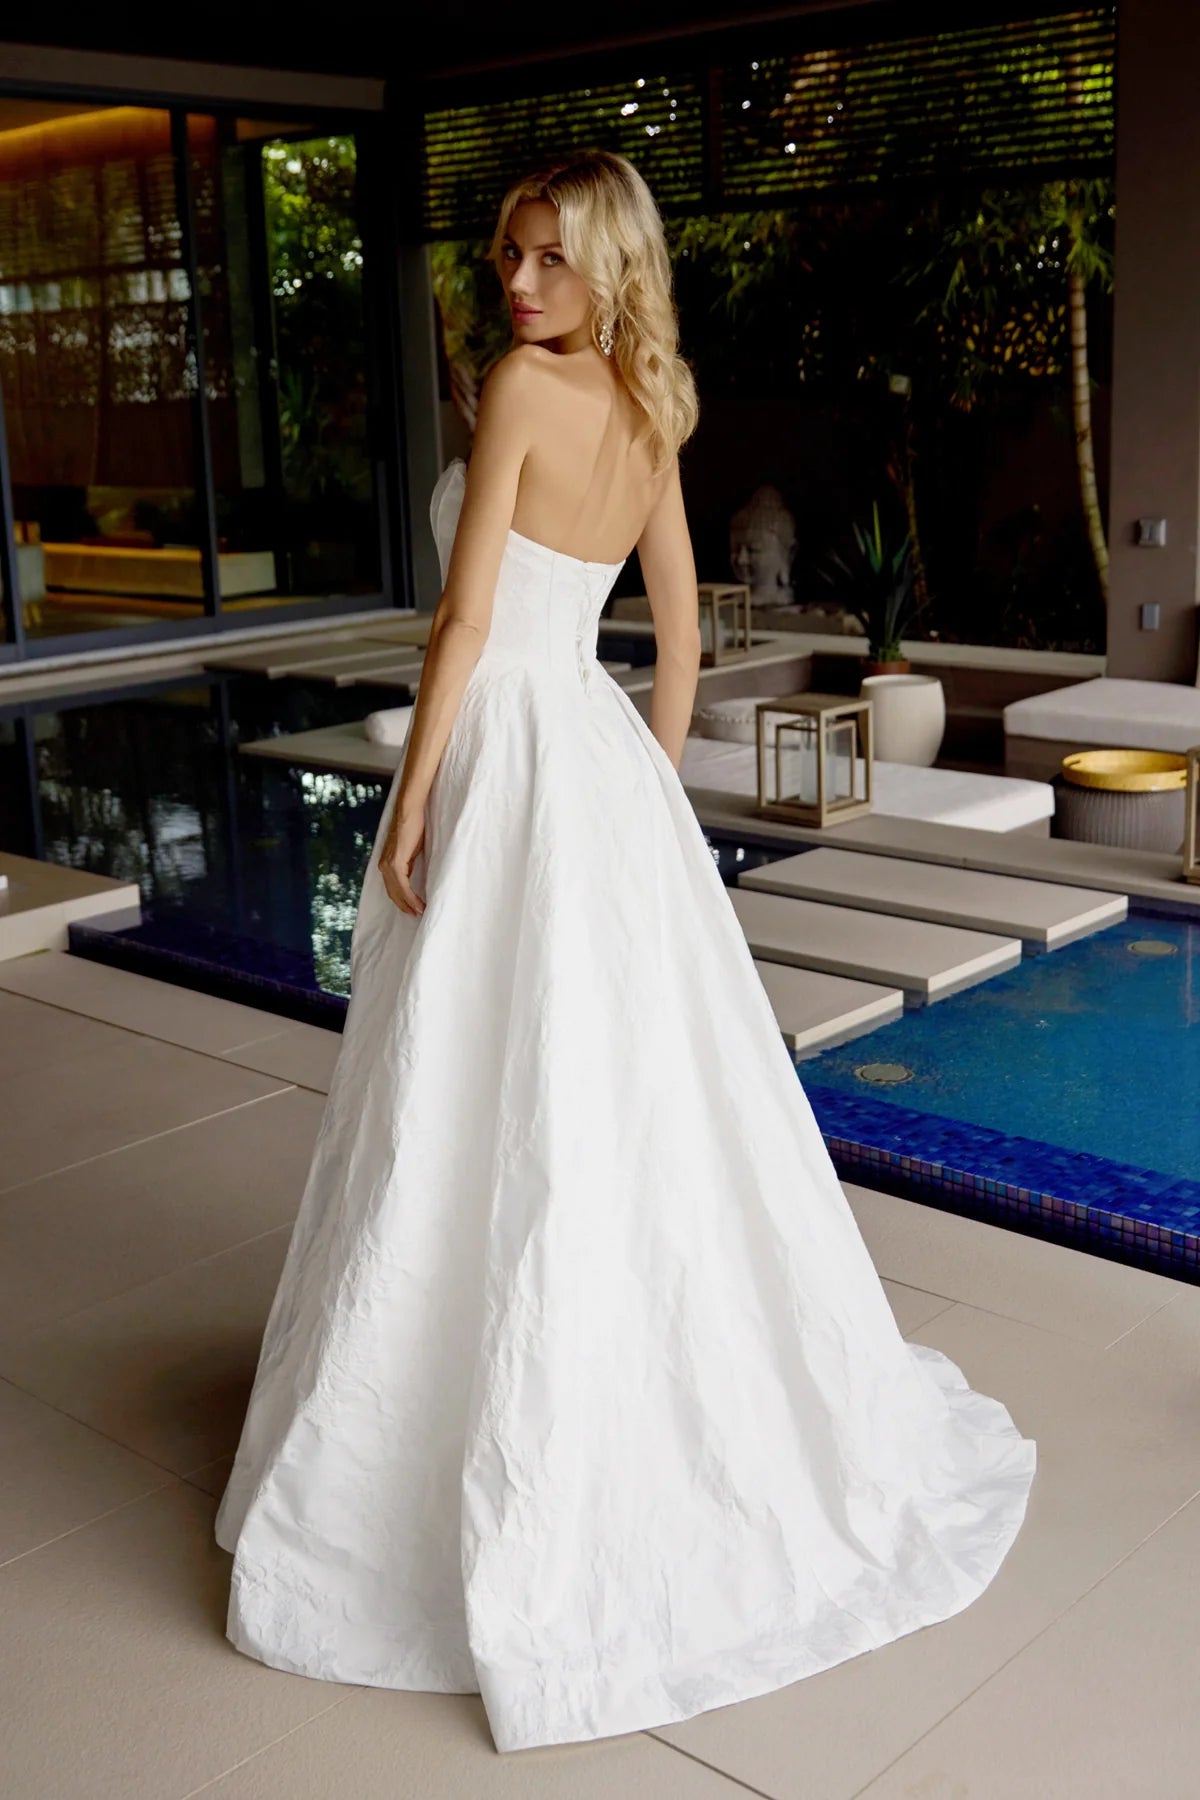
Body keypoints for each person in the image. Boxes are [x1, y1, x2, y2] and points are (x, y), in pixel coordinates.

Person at [214, 148, 1036, 1757]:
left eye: (548, 259)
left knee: (474, 1077)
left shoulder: (525, 390)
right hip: (586, 756)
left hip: (508, 747)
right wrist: (641, 792)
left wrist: (412, 797)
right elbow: (676, 634)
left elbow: (460, 625)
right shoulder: (656, 405)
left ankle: (462, 1400)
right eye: (511, 256)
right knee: (590, 1091)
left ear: (610, 268)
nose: (518, 287)